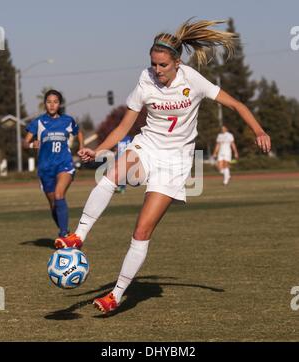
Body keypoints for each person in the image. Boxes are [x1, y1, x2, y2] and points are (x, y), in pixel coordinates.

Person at [55, 19, 271, 314]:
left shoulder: (193, 80)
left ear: (177, 63)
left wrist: (259, 130)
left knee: (141, 231)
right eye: (153, 64)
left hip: (176, 163)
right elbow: (124, 127)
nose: (156, 70)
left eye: (162, 65)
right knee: (112, 174)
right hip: (147, 148)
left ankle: (116, 295)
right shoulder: (145, 79)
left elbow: (236, 105)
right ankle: (78, 235)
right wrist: (98, 150)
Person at [24, 89, 84, 239]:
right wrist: (32, 145)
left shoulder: (67, 120)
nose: (52, 105)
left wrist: (81, 147)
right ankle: (65, 232)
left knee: (59, 195)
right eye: (49, 102)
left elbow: (79, 132)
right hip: (45, 169)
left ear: (60, 104)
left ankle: (63, 235)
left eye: (55, 102)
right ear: (45, 104)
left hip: (64, 164)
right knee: (53, 205)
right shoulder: (38, 122)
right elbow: (24, 143)